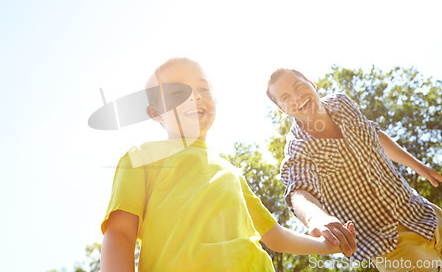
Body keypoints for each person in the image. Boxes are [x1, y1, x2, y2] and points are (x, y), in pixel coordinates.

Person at [99, 58, 350, 272]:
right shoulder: (141, 157)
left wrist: (328, 245)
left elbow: (275, 236)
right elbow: (120, 233)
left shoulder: (231, 173)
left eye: (203, 88)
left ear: (215, 102)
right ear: (155, 113)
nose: (195, 96)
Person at [266, 68, 442, 272]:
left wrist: (416, 165)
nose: (297, 97)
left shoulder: (342, 103)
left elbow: (374, 134)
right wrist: (318, 219)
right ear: (283, 109)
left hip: (424, 213)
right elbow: (298, 190)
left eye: (298, 86)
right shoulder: (298, 147)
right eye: (286, 97)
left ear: (312, 84)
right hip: (390, 244)